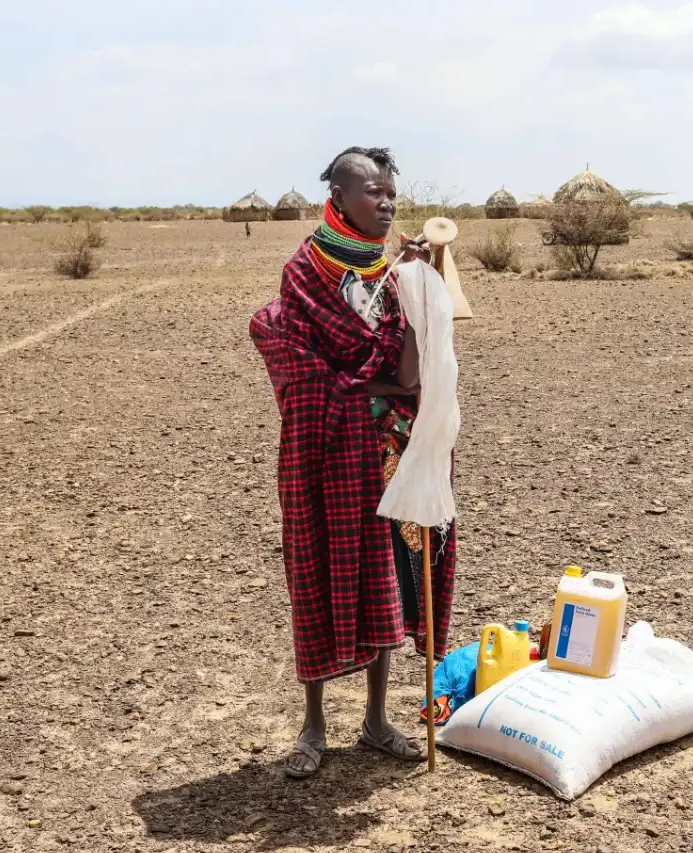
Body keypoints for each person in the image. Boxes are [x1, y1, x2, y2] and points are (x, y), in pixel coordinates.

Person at [249, 147, 458, 779]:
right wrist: (353, 390)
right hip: (327, 450)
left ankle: (375, 721)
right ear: (338, 197)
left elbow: (409, 369)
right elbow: (285, 347)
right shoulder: (304, 273)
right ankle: (313, 726)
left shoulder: (395, 273)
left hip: (391, 451)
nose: (386, 201)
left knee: (387, 576)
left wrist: (423, 287)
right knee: (320, 568)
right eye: (372, 191)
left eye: (392, 191)